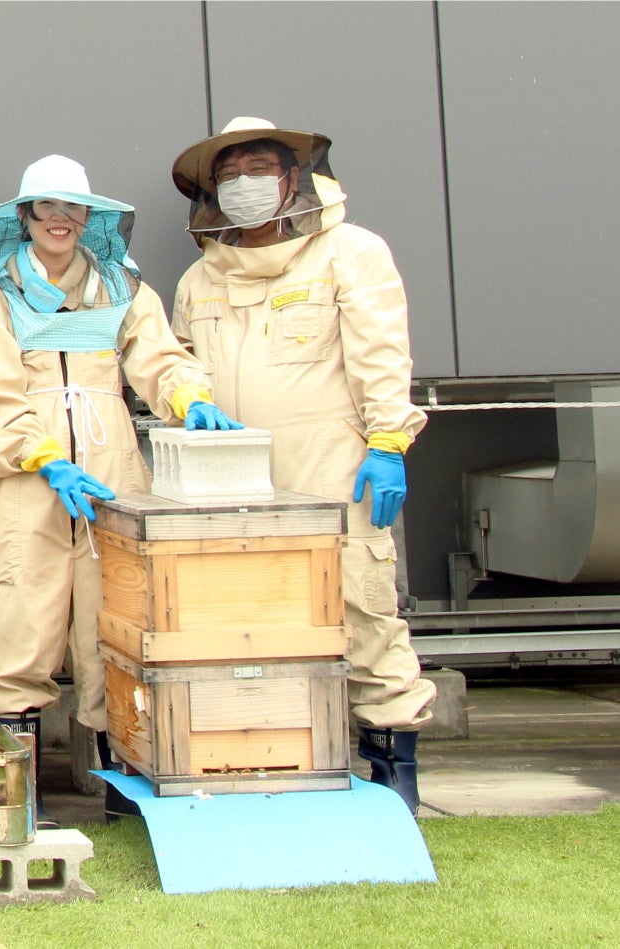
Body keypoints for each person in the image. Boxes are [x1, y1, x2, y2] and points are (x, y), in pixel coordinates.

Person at [0, 155, 237, 820]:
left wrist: (189, 398)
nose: (59, 220)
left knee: (115, 627)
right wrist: (46, 457)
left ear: (90, 218)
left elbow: (161, 359)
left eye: (72, 208)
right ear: (24, 217)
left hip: (113, 480)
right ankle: (12, 804)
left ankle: (123, 795)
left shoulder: (124, 286)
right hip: (29, 484)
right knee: (19, 620)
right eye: (46, 208)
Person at [170, 117, 436, 811]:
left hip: (335, 471)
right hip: (230, 486)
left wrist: (388, 444)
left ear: (295, 175)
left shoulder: (350, 251)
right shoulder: (201, 277)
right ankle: (272, 760)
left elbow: (382, 354)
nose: (244, 186)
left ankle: (391, 758)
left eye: (259, 168)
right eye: (230, 176)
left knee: (363, 606)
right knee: (249, 621)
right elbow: (179, 368)